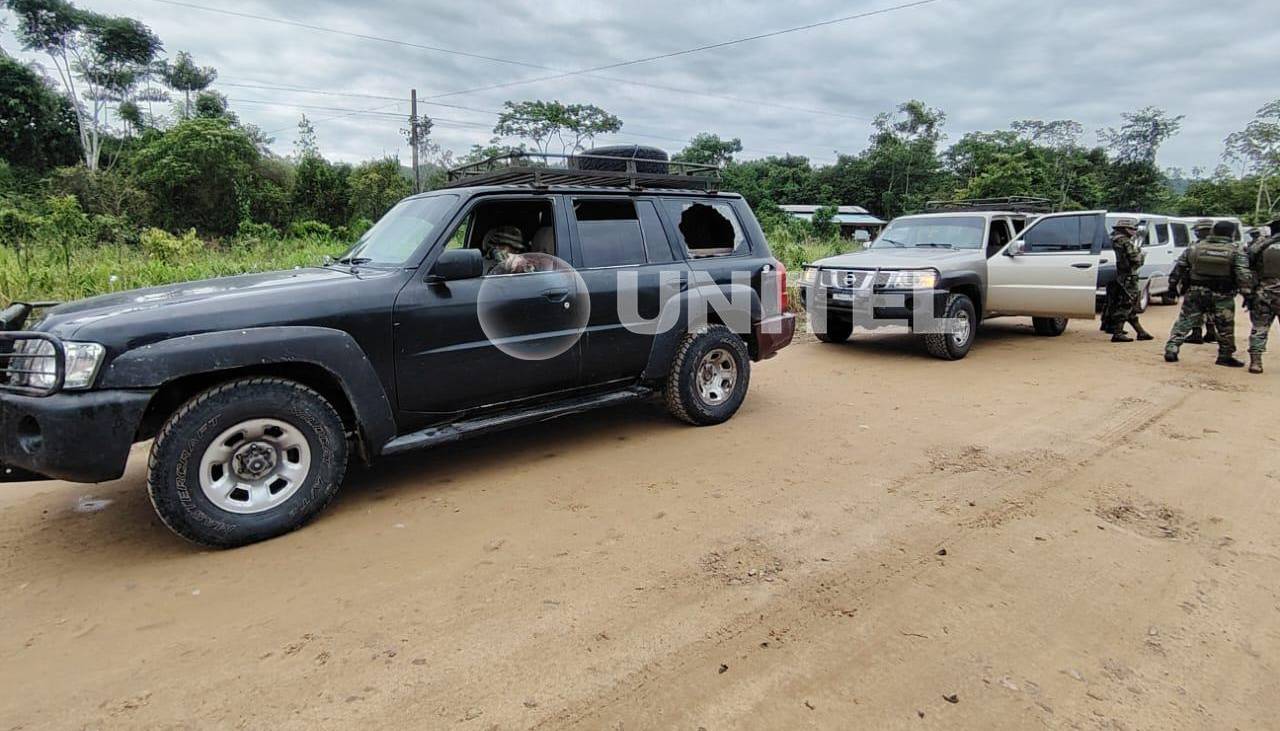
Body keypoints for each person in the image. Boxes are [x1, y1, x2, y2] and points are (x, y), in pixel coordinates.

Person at [1165, 220, 1254, 367]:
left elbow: (1179, 268)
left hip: (1196, 291)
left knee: (1184, 321)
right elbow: (1243, 274)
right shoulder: (1236, 250)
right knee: (1225, 326)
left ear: (1213, 231)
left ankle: (1171, 348)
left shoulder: (1195, 248)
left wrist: (1172, 286)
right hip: (1222, 294)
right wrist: (1247, 294)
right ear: (1232, 233)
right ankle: (1225, 356)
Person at [1105, 218, 1153, 342]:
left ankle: (1140, 332)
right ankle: (1118, 332)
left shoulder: (1110, 240)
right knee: (1127, 303)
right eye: (1132, 229)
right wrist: (1141, 254)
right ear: (1125, 229)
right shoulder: (1125, 242)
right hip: (1126, 276)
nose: (1134, 231)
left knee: (1117, 302)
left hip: (1113, 275)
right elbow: (1135, 260)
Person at [1246, 219, 1280, 374]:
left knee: (1259, 327)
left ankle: (1256, 362)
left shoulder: (1260, 246)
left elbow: (1248, 268)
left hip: (1264, 293)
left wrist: (1248, 293)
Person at [1185, 219, 1218, 344]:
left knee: (1195, 309)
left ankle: (1196, 333)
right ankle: (1211, 333)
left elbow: (1183, 265)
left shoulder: (1194, 247)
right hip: (1218, 285)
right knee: (1212, 309)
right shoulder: (1223, 246)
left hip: (1197, 283)